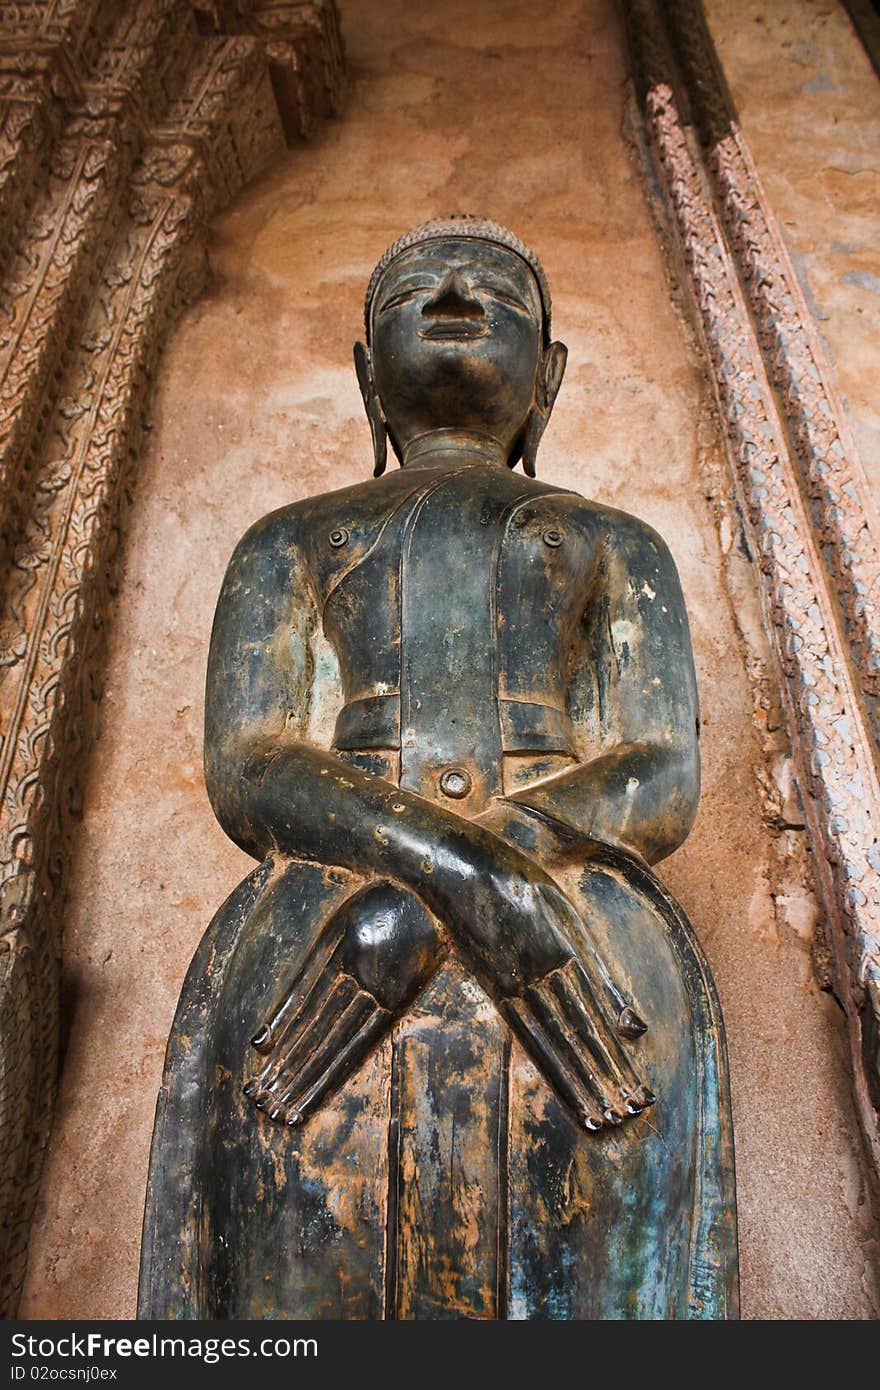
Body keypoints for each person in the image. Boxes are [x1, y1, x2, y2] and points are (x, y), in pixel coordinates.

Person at [139, 218, 738, 1320]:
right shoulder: (290, 539)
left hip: (575, 954)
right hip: (327, 941)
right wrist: (459, 875)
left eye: (494, 288)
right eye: (416, 284)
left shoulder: (616, 543)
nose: (455, 288)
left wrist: (487, 879)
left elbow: (656, 772)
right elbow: (251, 762)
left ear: (547, 377)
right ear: (368, 374)